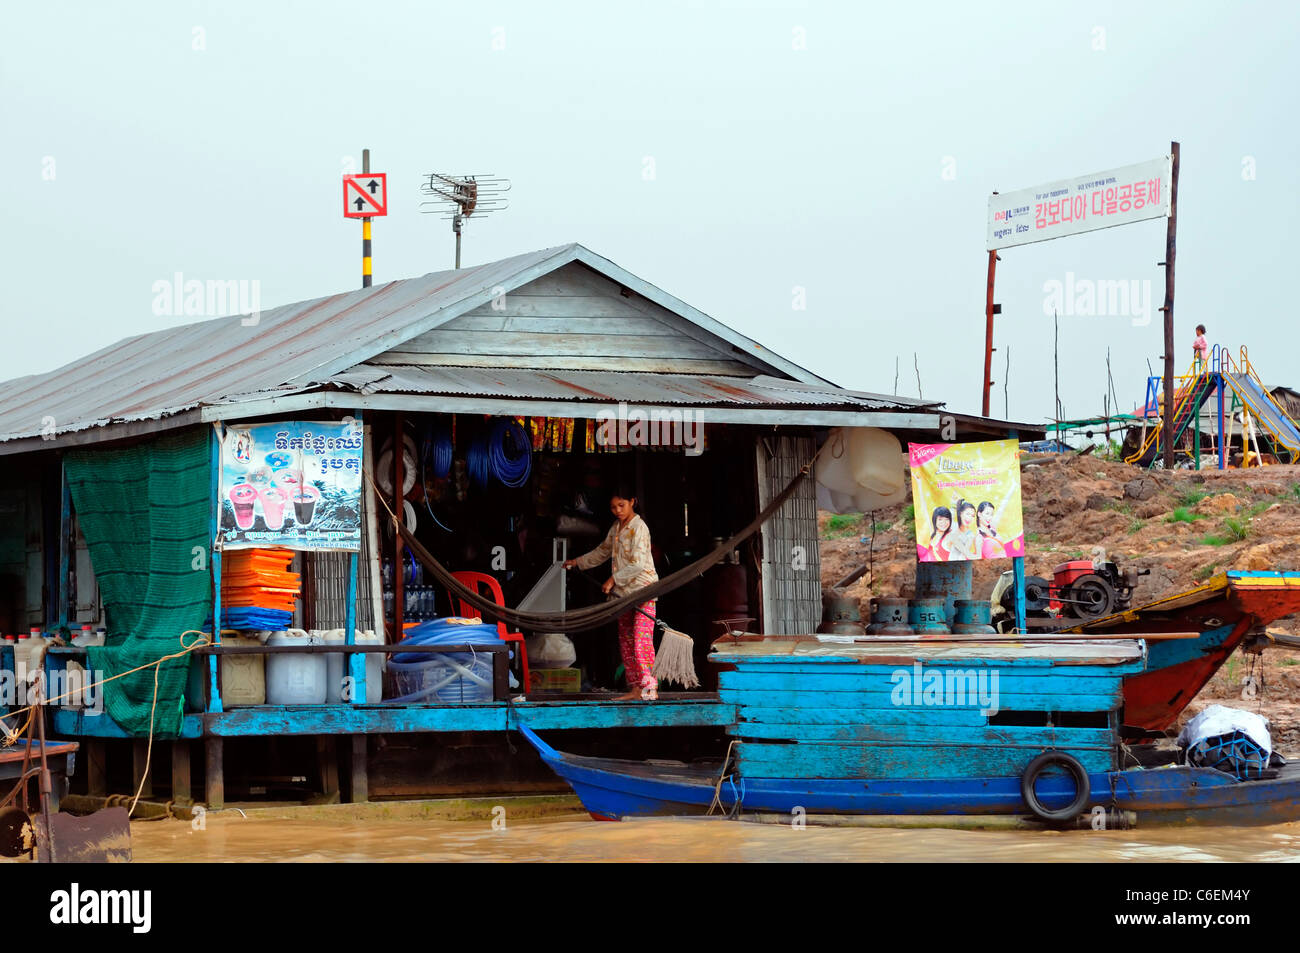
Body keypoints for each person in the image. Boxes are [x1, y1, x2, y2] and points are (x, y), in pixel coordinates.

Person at [564, 485, 660, 700]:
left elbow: (638, 564)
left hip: (643, 591)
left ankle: (649, 688)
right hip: (622, 595)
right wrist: (577, 562)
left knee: (640, 639)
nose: (617, 510)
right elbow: (602, 552)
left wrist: (612, 580)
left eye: (621, 505)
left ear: (632, 502)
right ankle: (636, 688)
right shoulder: (617, 528)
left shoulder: (639, 527)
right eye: (613, 507)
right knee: (626, 641)